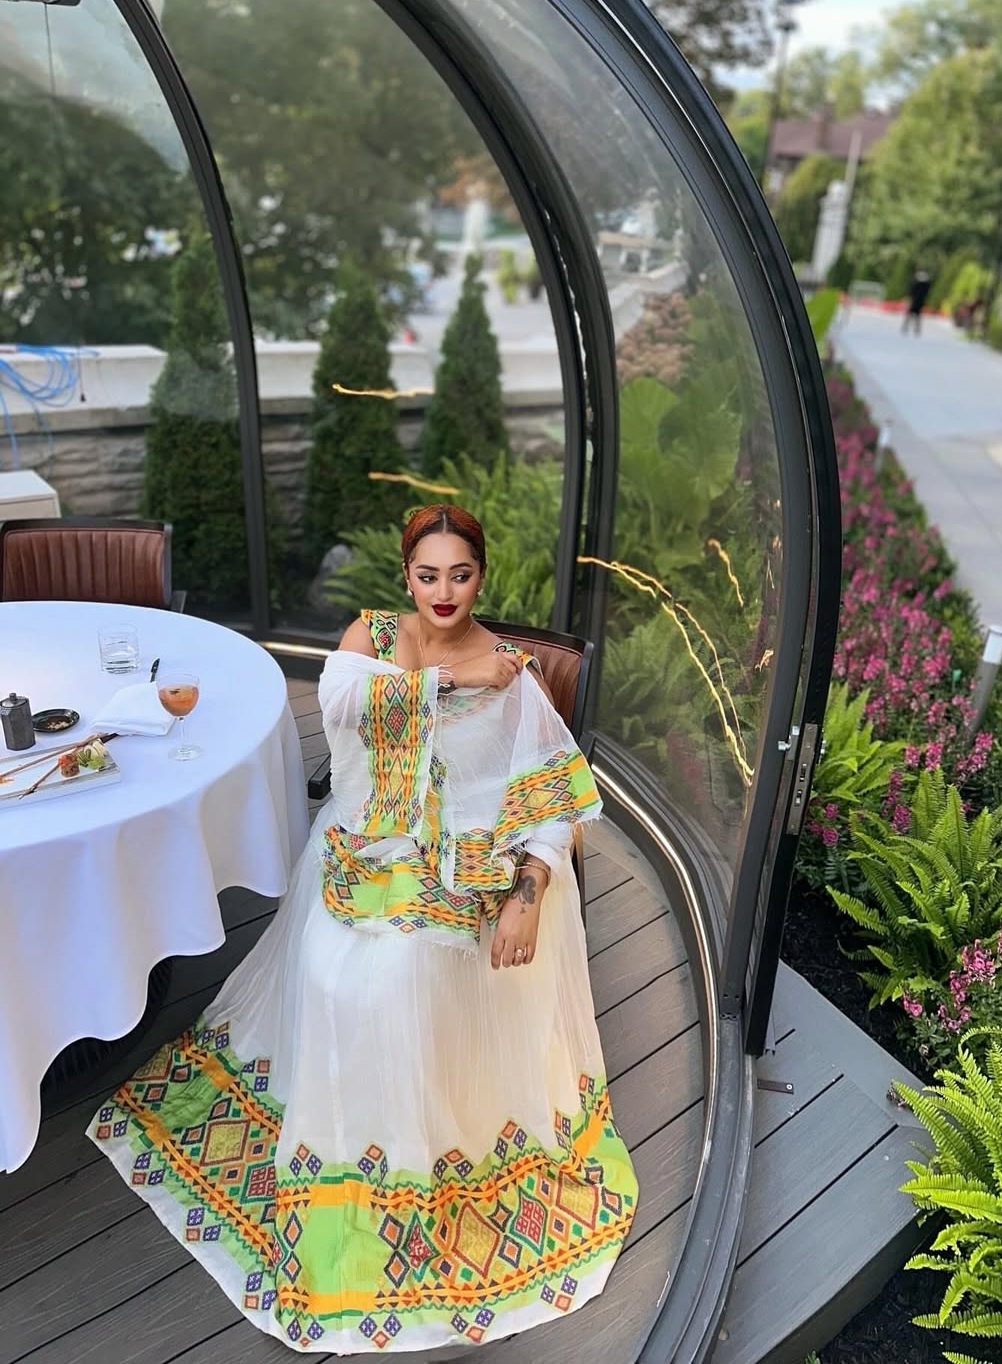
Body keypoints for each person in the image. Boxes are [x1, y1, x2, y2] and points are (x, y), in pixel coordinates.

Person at [88, 504, 637, 1354]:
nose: (443, 592)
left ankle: (418, 1166)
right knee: (335, 969)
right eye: (428, 574)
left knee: (398, 978)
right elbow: (343, 703)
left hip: (476, 865)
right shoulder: (373, 638)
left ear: (480, 576)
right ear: (405, 576)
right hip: (371, 848)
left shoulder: (514, 674)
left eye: (460, 574)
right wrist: (451, 685)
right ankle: (350, 1150)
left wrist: (527, 895)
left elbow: (558, 804)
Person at [901, 267, 933, 335]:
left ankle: (905, 327)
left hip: (915, 300)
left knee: (910, 314)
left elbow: (912, 290)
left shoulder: (916, 280)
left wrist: (909, 296)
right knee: (918, 315)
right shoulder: (927, 282)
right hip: (921, 301)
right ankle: (917, 329)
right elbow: (928, 292)